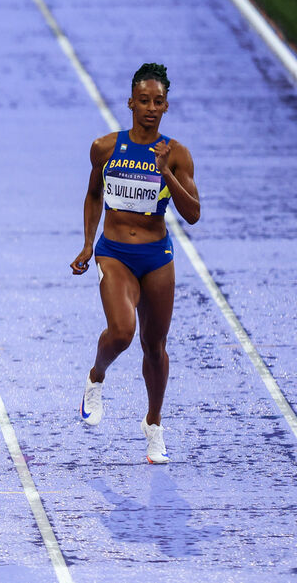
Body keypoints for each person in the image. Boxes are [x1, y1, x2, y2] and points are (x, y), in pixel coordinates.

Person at [70, 63, 200, 464]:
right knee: (123, 332)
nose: (150, 107)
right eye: (143, 100)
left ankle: (154, 424)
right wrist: (88, 244)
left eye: (157, 102)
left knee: (154, 346)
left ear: (165, 107)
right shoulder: (105, 147)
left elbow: (193, 213)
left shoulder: (175, 154)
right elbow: (94, 195)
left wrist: (166, 174)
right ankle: (96, 377)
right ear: (130, 102)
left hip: (157, 256)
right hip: (115, 253)